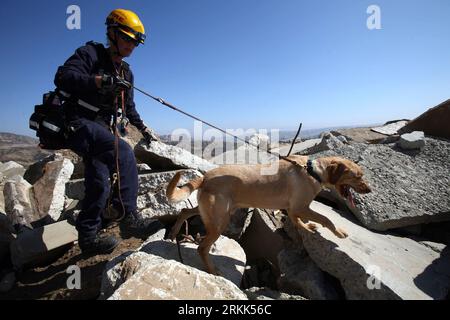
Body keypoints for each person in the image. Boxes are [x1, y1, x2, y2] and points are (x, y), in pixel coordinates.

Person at [54, 9, 157, 254]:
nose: (131, 46)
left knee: (99, 180)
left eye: (134, 42)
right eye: (127, 39)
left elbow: (129, 106)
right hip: (77, 121)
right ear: (112, 34)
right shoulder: (90, 54)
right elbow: (63, 76)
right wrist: (100, 81)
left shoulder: (126, 72)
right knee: (121, 149)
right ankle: (129, 216)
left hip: (100, 127)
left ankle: (88, 238)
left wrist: (142, 128)